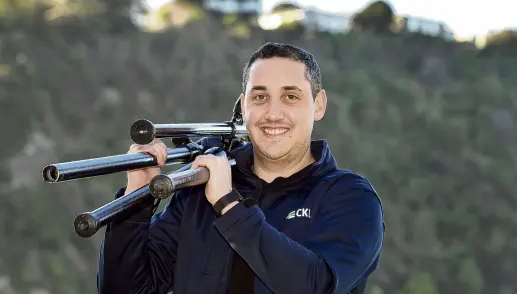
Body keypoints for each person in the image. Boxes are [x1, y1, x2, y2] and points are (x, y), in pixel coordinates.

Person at [97, 42, 384, 294]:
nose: (273, 113)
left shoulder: (351, 198)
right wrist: (135, 199)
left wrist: (229, 205)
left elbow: (315, 285)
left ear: (318, 105)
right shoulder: (200, 191)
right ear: (244, 107)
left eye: (290, 97)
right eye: (259, 97)